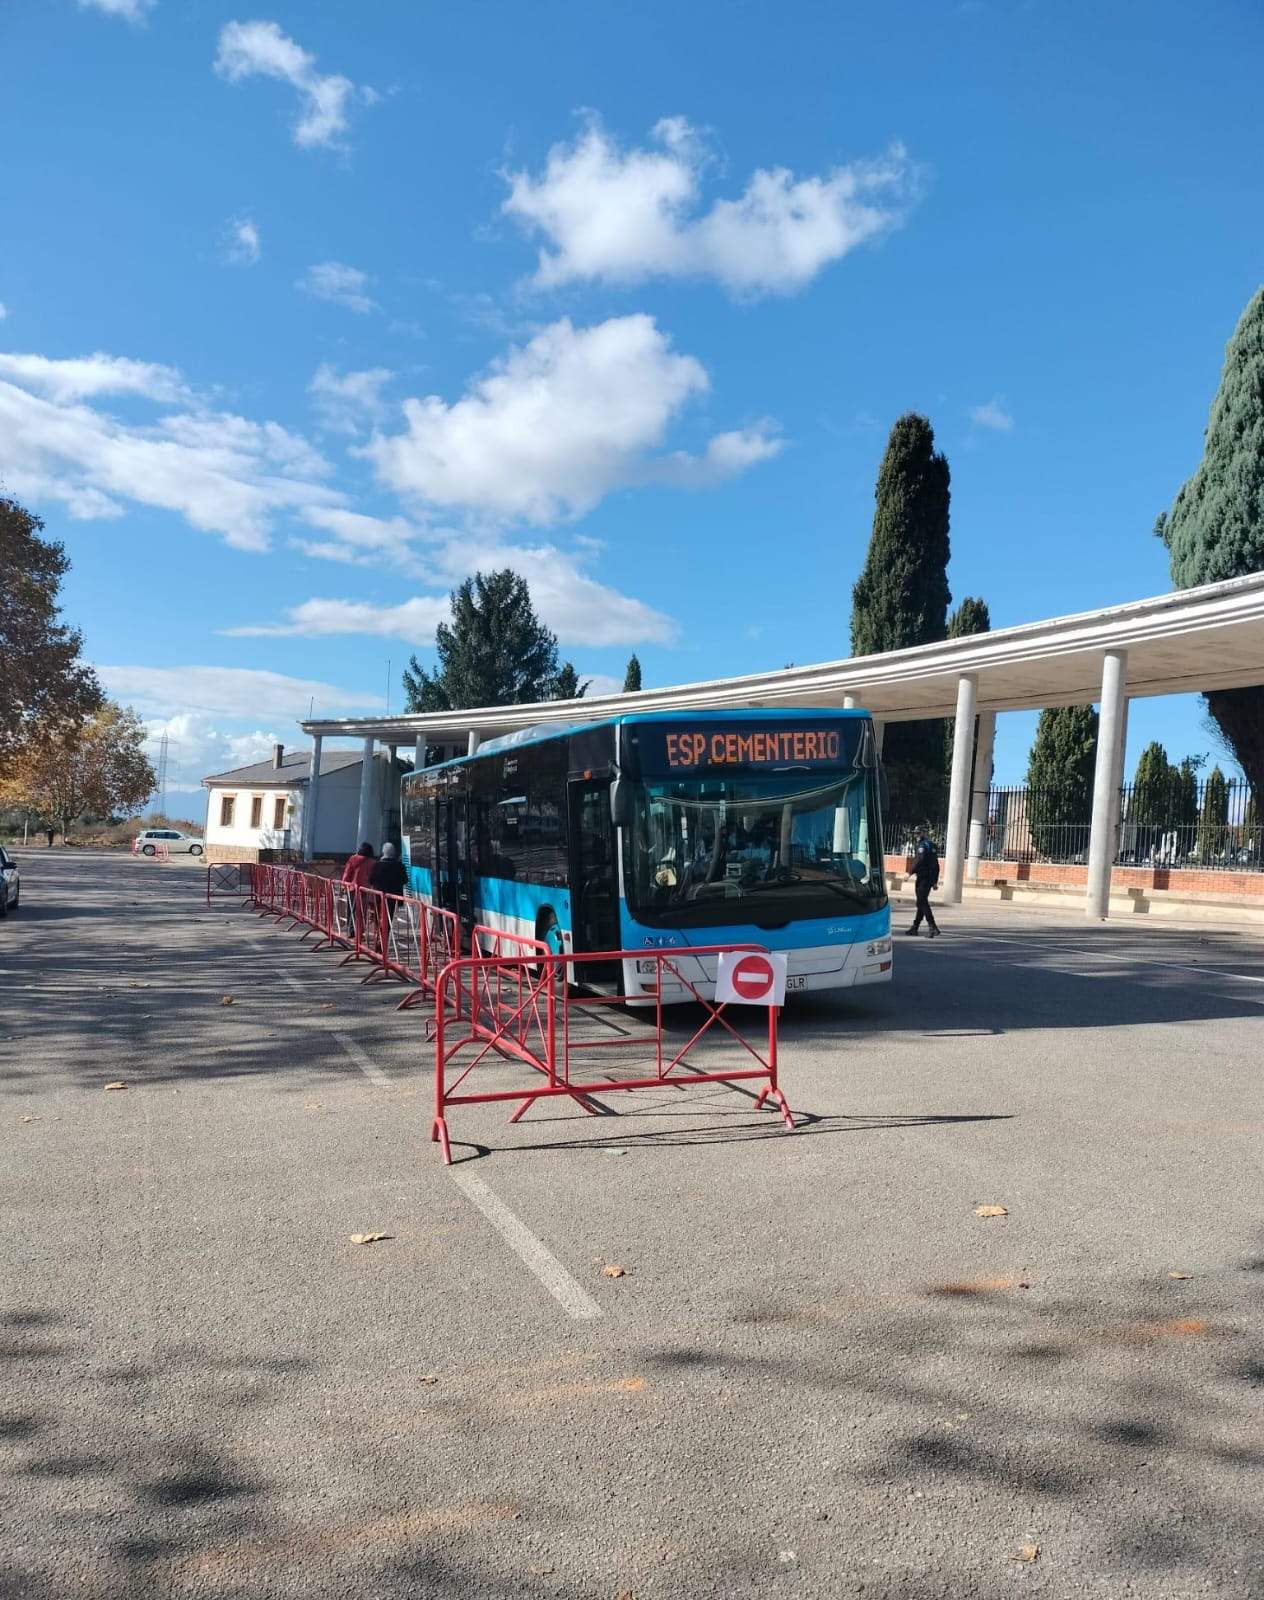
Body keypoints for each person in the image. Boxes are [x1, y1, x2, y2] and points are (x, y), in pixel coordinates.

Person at [906, 826, 941, 938]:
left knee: (922, 902)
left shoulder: (923, 845)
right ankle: (915, 927)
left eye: (918, 833)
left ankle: (933, 926)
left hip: (923, 878)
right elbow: (936, 865)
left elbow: (919, 860)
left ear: (923, 833)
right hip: (929, 878)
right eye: (915, 833)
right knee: (921, 902)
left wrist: (909, 872)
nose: (916, 835)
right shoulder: (930, 845)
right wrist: (934, 881)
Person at [340, 842, 375, 938]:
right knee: (362, 912)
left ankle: (351, 930)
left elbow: (347, 873)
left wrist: (343, 885)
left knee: (351, 909)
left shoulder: (353, 859)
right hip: (365, 890)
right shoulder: (372, 862)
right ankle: (360, 931)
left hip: (352, 888)